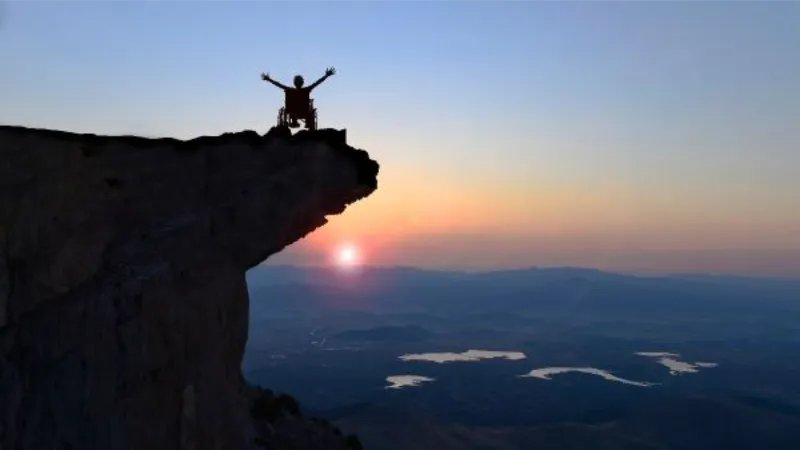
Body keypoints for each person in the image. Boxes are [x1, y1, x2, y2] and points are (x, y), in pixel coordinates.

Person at [261, 68, 336, 127]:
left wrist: (268, 79)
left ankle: (294, 121)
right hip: (305, 112)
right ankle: (308, 122)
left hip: (291, 111)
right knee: (310, 108)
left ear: (294, 82)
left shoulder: (289, 90)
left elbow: (278, 84)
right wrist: (326, 75)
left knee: (291, 109)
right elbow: (317, 83)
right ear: (302, 82)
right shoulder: (306, 90)